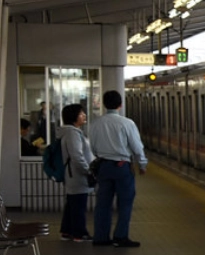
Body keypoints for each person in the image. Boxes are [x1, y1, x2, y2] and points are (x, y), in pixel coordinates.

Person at [87, 90, 148, 247]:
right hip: (122, 167)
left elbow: (92, 147)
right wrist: (142, 164)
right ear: (120, 105)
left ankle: (101, 237)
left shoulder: (95, 124)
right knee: (125, 202)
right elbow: (136, 146)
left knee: (103, 203)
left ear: (104, 104)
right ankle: (120, 237)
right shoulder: (127, 123)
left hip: (103, 166)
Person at [58, 104, 95, 242]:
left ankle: (67, 231)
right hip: (77, 175)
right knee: (79, 204)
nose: (84, 115)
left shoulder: (70, 132)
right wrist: (88, 170)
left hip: (72, 174)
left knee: (72, 204)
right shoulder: (73, 133)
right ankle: (80, 234)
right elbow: (77, 156)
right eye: (81, 113)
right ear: (73, 117)